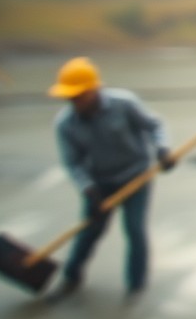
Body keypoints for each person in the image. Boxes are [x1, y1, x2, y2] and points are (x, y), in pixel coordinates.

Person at [44, 57, 173, 304]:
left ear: (94, 90)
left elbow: (154, 125)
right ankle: (71, 278)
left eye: (78, 96)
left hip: (136, 177)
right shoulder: (65, 124)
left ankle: (136, 287)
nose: (74, 102)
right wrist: (88, 190)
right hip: (100, 184)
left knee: (135, 230)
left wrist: (163, 149)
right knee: (90, 231)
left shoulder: (124, 104)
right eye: (69, 97)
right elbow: (73, 163)